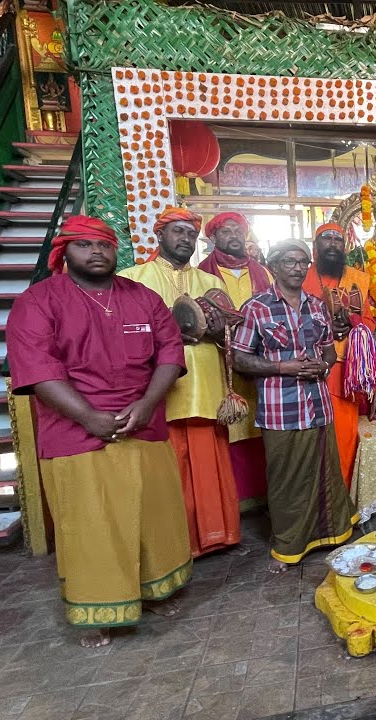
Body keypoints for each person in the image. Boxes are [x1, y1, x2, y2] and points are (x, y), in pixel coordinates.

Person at [6, 215, 192, 649]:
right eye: (84, 245)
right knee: (92, 525)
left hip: (142, 424)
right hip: (75, 432)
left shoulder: (143, 298)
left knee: (153, 516)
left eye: (104, 245)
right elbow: (37, 369)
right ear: (64, 253)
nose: (96, 252)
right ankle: (97, 610)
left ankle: (153, 591)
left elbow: (170, 352)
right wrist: (89, 417)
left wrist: (147, 405)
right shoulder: (38, 302)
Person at [119, 207, 245, 557]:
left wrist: (221, 328)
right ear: (159, 235)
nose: (185, 239)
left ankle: (219, 535)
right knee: (173, 466)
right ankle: (179, 542)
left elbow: (229, 337)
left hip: (206, 383)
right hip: (161, 388)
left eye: (190, 233)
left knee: (210, 461)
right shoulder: (134, 278)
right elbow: (127, 335)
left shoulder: (211, 282)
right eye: (177, 232)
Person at [231, 239, 358, 573]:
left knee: (325, 472)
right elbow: (240, 358)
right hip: (280, 408)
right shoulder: (256, 307)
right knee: (286, 480)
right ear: (274, 266)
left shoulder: (317, 306)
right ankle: (288, 547)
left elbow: (329, 349)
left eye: (303, 262)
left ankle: (332, 534)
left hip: (318, 404)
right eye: (290, 262)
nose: (298, 268)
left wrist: (323, 366)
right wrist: (282, 367)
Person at [197, 211, 272, 511]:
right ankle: (237, 501)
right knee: (231, 428)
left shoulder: (263, 272)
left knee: (261, 425)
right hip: (220, 356)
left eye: (238, 230)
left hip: (259, 358)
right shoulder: (204, 272)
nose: (234, 236)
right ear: (214, 238)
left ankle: (265, 494)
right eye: (226, 231)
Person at [302, 222, 375, 488]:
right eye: (326, 238)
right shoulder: (301, 274)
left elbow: (370, 322)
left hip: (346, 370)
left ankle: (341, 494)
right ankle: (317, 495)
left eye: (338, 239)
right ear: (316, 246)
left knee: (344, 436)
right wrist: (325, 326)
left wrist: (352, 322)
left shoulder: (358, 279)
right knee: (314, 437)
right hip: (309, 368)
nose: (333, 243)